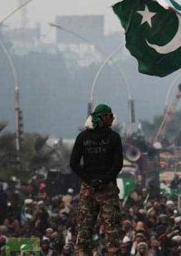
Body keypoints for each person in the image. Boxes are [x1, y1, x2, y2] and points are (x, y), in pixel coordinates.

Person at [70, 104, 123, 256]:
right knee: (110, 231)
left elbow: (74, 164)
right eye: (110, 116)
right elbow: (117, 164)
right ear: (101, 117)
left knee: (85, 231)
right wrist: (103, 181)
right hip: (106, 189)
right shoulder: (113, 138)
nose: (112, 119)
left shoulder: (83, 137)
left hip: (89, 189)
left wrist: (90, 181)